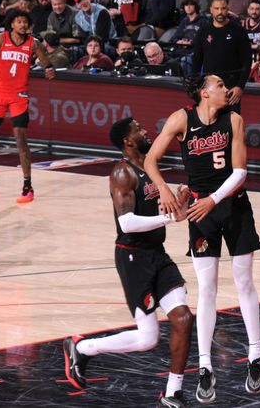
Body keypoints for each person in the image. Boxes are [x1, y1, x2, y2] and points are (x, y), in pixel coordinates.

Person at [144, 75, 260, 404]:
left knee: (244, 280)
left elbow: (240, 172)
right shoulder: (181, 118)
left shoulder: (234, 120)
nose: (226, 89)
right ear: (204, 92)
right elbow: (149, 160)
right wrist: (167, 191)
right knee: (207, 288)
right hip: (201, 211)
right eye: (220, 85)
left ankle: (255, 357)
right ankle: (205, 366)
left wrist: (214, 199)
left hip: (233, 206)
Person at [63, 118, 192, 406]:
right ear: (128, 141)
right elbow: (128, 223)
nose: (145, 130)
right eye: (138, 129)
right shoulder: (122, 173)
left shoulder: (150, 167)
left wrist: (178, 202)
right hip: (133, 257)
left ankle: (173, 393)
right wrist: (170, 218)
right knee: (148, 339)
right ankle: (83, 348)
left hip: (157, 253)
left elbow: (158, 208)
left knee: (183, 318)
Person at [0, 10, 56, 203]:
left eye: (26, 22)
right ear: (12, 24)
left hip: (19, 96)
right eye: (19, 22)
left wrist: (49, 69)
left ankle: (27, 186)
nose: (23, 25)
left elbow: (46, 62)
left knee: (21, 139)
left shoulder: (33, 43)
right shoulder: (0, 39)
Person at [191, 0, 252, 113]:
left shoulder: (239, 31)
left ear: (228, 9)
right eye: (217, 8)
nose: (220, 12)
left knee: (231, 125)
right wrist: (195, 85)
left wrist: (240, 86)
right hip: (209, 86)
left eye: (223, 8)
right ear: (211, 10)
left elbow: (247, 61)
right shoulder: (203, 31)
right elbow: (197, 60)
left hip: (232, 87)